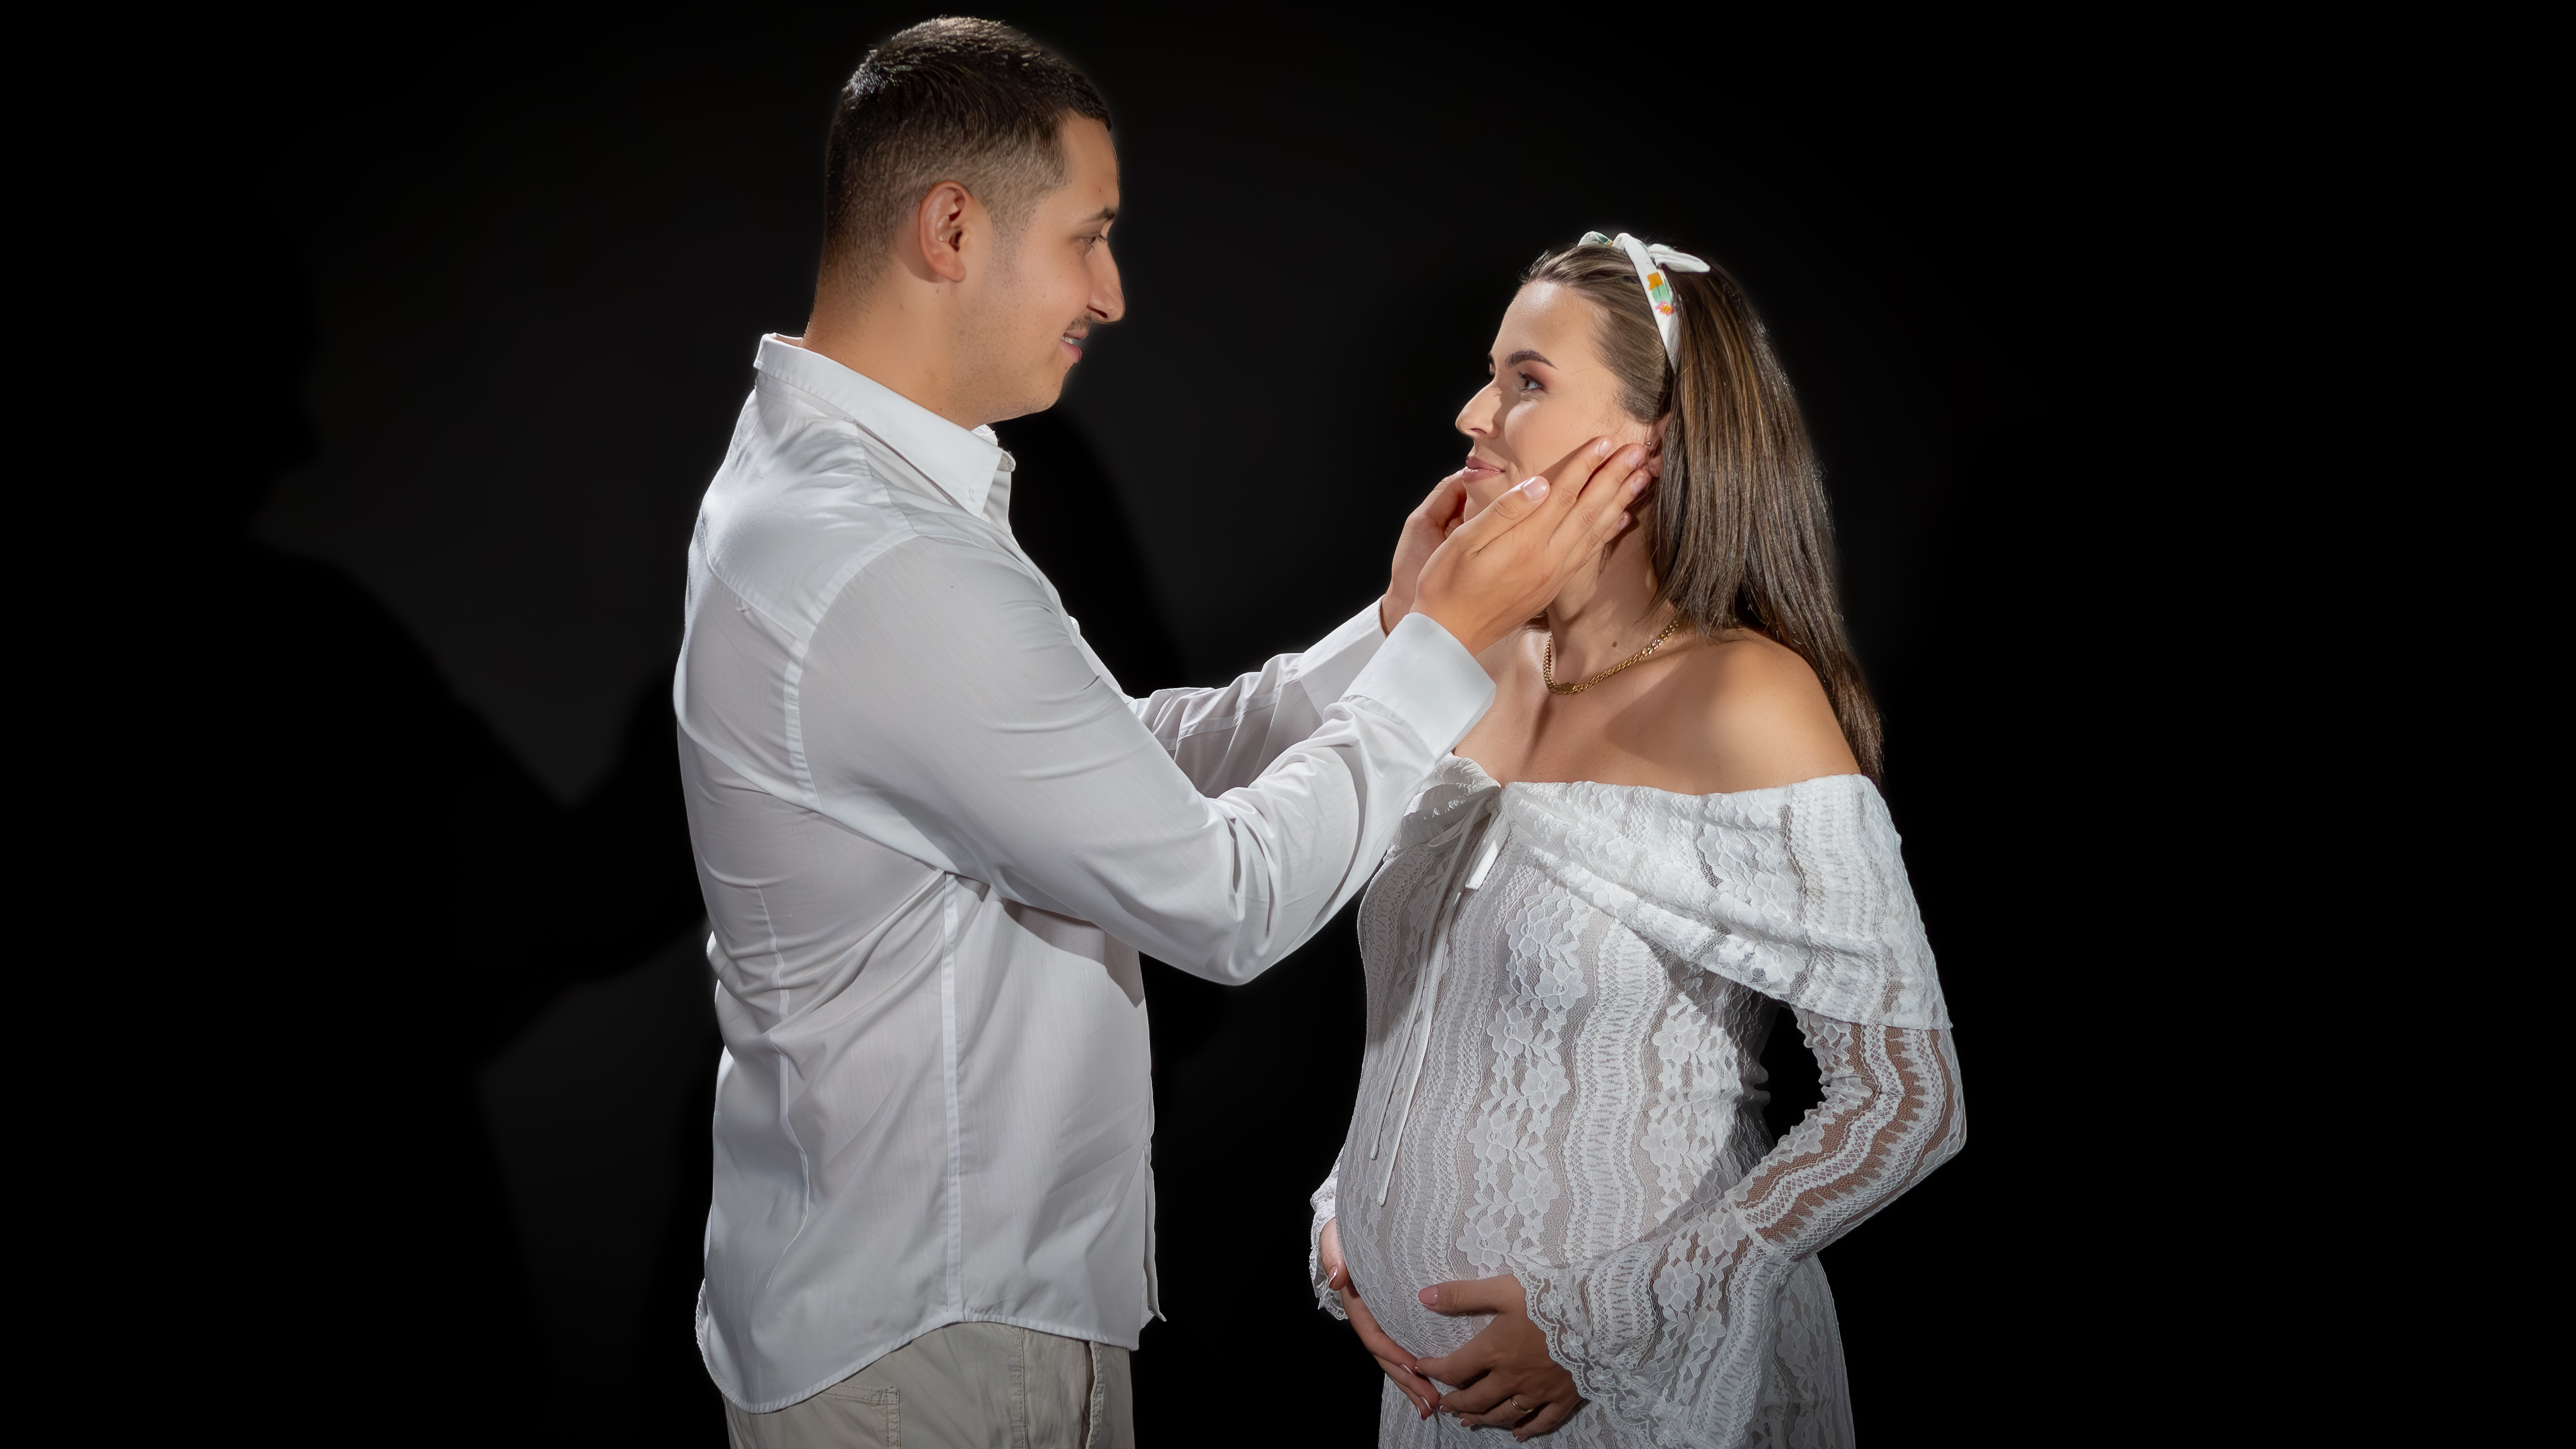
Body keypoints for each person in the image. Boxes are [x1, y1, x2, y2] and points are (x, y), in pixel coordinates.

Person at [673, 22, 1654, 1448]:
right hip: (932, 1344)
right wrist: (1446, 653)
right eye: (1088, 237)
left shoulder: (840, 492)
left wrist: (1393, 630)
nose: (1112, 293)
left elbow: (1103, 767)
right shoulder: (875, 553)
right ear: (952, 228)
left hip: (914, 1312)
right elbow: (1222, 897)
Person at [1307, 234, 1966, 1447]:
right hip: (1439, 1398)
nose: (1473, 415)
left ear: (1654, 443)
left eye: (1526, 380)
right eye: (1490, 376)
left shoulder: (1743, 698)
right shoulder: (1462, 667)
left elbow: (1907, 1100)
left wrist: (1602, 1320)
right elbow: (1429, 1010)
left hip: (1644, 1388)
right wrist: (1354, 1213)